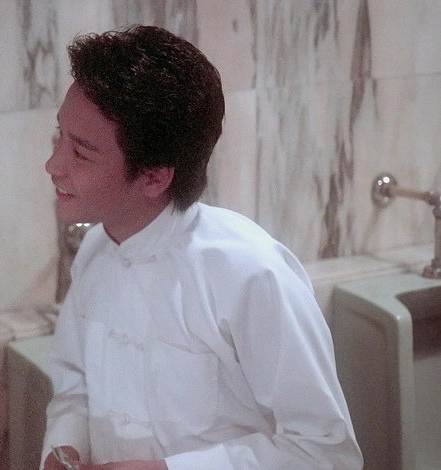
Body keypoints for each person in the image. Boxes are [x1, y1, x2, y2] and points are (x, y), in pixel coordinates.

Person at [41, 26, 363, 469]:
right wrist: (64, 450)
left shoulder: (251, 274)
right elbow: (75, 387)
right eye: (59, 136)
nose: (52, 164)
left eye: (80, 153)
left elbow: (326, 453)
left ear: (154, 177)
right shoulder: (95, 251)